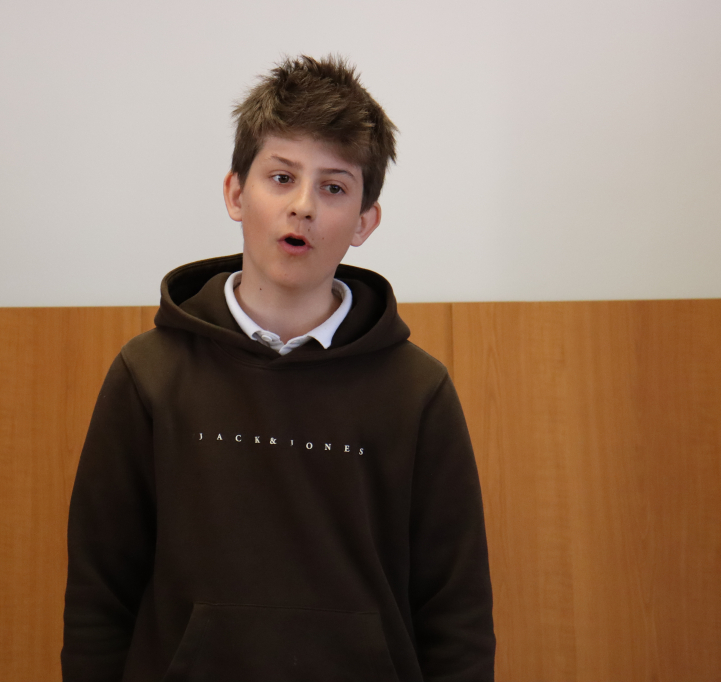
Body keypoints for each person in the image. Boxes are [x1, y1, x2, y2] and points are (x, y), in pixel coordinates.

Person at [62, 55, 495, 682]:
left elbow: (456, 614)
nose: (303, 206)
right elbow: (99, 596)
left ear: (365, 222)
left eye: (334, 187)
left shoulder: (417, 392)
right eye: (282, 177)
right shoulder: (149, 374)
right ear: (237, 194)